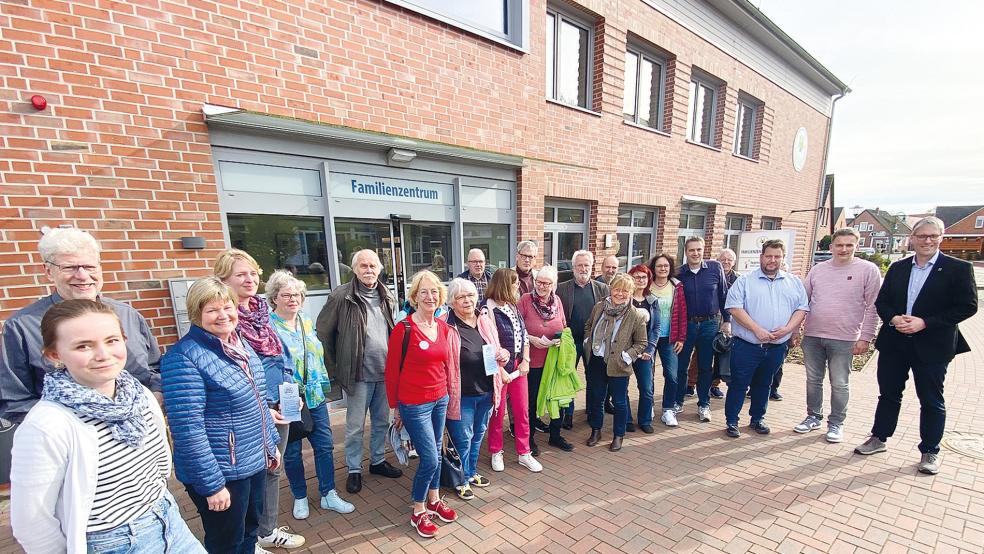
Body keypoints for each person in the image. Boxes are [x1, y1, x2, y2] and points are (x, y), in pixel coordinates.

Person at [10, 299, 203, 554]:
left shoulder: (141, 396)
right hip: (112, 542)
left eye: (111, 340)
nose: (103, 354)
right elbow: (32, 521)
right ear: (55, 354)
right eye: (83, 346)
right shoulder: (47, 425)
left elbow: (158, 463)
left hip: (167, 518)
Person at [162, 277, 282, 553]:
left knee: (250, 530)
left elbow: (258, 399)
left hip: (253, 459)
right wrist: (212, 484)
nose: (223, 315)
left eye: (227, 307)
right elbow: (187, 429)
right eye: (212, 310)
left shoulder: (239, 345)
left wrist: (270, 445)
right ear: (196, 314)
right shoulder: (184, 357)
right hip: (222, 470)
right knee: (227, 542)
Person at [854, 217, 978, 474]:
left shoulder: (958, 269)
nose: (928, 241)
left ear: (941, 237)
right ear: (913, 238)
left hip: (932, 346)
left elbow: (968, 306)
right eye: (922, 236)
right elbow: (883, 301)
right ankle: (879, 438)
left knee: (931, 400)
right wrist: (894, 317)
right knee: (888, 394)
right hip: (895, 344)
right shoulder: (899, 269)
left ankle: (930, 451)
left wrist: (926, 323)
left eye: (933, 236)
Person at [0, 227, 161, 423]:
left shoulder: (128, 315)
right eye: (69, 268)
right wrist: (81, 425)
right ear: (48, 271)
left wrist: (156, 396)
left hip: (142, 429)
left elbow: (154, 369)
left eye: (90, 266)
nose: (83, 276)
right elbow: (15, 400)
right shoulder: (21, 327)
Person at [214, 249, 304, 551]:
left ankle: (265, 530)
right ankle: (250, 538)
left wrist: (292, 392)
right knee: (251, 473)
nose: (250, 279)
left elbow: (278, 357)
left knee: (272, 467)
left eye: (253, 273)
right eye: (241, 274)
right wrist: (264, 407)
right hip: (253, 409)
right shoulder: (225, 318)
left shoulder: (260, 311)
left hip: (281, 402)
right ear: (223, 279)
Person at [266, 271, 354, 520]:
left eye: (297, 294)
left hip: (314, 395)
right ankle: (300, 496)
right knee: (292, 451)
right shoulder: (270, 328)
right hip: (289, 398)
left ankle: (328, 494)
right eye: (286, 295)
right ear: (275, 298)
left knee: (324, 446)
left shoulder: (305, 321)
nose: (293, 299)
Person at [317, 249, 403, 495]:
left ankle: (376, 461)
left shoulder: (387, 295)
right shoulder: (341, 296)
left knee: (380, 422)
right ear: (354, 269)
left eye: (372, 266)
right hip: (357, 374)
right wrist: (335, 368)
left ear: (379, 268)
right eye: (363, 266)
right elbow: (323, 333)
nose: (368, 270)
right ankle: (354, 469)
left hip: (384, 373)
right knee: (354, 426)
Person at [384, 271, 459, 539]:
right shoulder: (403, 329)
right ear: (415, 297)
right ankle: (418, 511)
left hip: (440, 399)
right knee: (428, 457)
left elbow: (445, 364)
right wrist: (395, 407)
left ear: (441, 296)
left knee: (437, 453)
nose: (430, 297)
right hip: (414, 404)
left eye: (435, 292)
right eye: (424, 292)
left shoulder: (442, 327)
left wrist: (449, 395)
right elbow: (391, 372)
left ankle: (435, 500)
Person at [793, 228, 881, 443]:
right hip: (813, 336)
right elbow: (802, 302)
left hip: (845, 338)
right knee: (813, 380)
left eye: (849, 245)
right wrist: (795, 329)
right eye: (839, 245)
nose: (843, 249)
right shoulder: (818, 270)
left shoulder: (868, 270)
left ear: (856, 246)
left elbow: (873, 307)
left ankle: (836, 423)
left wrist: (866, 337)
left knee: (840, 383)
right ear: (831, 247)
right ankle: (813, 416)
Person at [723, 240, 808, 438]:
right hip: (747, 345)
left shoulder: (793, 282)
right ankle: (732, 421)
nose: (772, 260)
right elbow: (734, 308)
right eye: (768, 256)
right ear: (761, 257)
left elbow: (802, 308)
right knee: (739, 384)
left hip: (776, 347)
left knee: (764, 383)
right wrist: (756, 329)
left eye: (777, 256)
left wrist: (788, 328)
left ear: (782, 258)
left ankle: (757, 419)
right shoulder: (745, 281)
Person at [443, 278, 510, 500]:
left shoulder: (484, 320)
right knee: (462, 438)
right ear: (451, 302)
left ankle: (471, 473)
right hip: (461, 394)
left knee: (478, 435)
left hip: (486, 390)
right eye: (460, 297)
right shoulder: (446, 325)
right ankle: (460, 480)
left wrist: (504, 355)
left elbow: (497, 349)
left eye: (470, 295)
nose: (467, 300)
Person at [484, 268, 543, 472]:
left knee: (522, 411)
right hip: (498, 370)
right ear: (503, 284)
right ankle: (496, 451)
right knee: (498, 413)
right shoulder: (486, 309)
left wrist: (526, 359)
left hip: (518, 367)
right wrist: (499, 372)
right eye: (515, 282)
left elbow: (524, 335)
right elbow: (487, 346)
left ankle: (524, 452)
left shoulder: (513, 306)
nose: (518, 285)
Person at [584, 273, 648, 451]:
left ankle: (618, 435)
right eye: (617, 289)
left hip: (618, 364)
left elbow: (642, 343)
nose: (620, 294)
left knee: (619, 402)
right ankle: (596, 430)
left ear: (631, 292)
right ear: (611, 289)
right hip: (597, 361)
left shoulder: (636, 315)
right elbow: (588, 325)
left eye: (625, 291)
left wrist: (626, 356)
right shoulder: (599, 307)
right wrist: (588, 341)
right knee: (597, 398)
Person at [517, 265, 574, 451]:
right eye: (539, 282)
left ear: (553, 285)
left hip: (554, 361)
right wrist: (531, 338)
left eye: (546, 283)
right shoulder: (525, 300)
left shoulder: (557, 301)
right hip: (532, 361)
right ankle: (530, 438)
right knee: (531, 401)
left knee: (556, 398)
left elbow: (564, 326)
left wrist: (560, 340)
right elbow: (516, 328)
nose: (541, 286)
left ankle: (555, 436)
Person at [676, 236, 731, 424]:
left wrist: (727, 320)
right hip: (687, 325)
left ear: (703, 250)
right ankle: (677, 401)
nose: (695, 253)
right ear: (686, 252)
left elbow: (724, 295)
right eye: (692, 250)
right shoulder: (679, 273)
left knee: (705, 366)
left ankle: (704, 403)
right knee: (681, 365)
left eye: (699, 249)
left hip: (709, 324)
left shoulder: (715, 268)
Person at [556, 250, 610, 429]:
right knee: (568, 378)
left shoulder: (602, 289)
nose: (583, 268)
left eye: (586, 265)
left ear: (592, 266)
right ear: (573, 268)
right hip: (570, 343)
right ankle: (568, 414)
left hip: (593, 343)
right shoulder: (562, 288)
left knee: (594, 378)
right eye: (579, 265)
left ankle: (592, 411)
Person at [632, 260, 687, 430]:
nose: (663, 269)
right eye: (659, 266)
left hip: (667, 337)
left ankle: (668, 409)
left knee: (672, 375)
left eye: (666, 266)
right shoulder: (641, 290)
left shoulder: (676, 286)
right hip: (642, 341)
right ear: (653, 269)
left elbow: (682, 312)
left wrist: (681, 337)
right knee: (648, 377)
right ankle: (647, 411)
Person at [709, 248, 739, 398]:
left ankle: (714, 385)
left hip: (729, 321)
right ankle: (691, 383)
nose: (726, 262)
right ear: (717, 260)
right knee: (702, 353)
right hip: (712, 319)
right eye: (723, 259)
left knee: (722, 353)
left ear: (734, 262)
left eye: (730, 260)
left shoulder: (739, 279)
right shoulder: (711, 274)